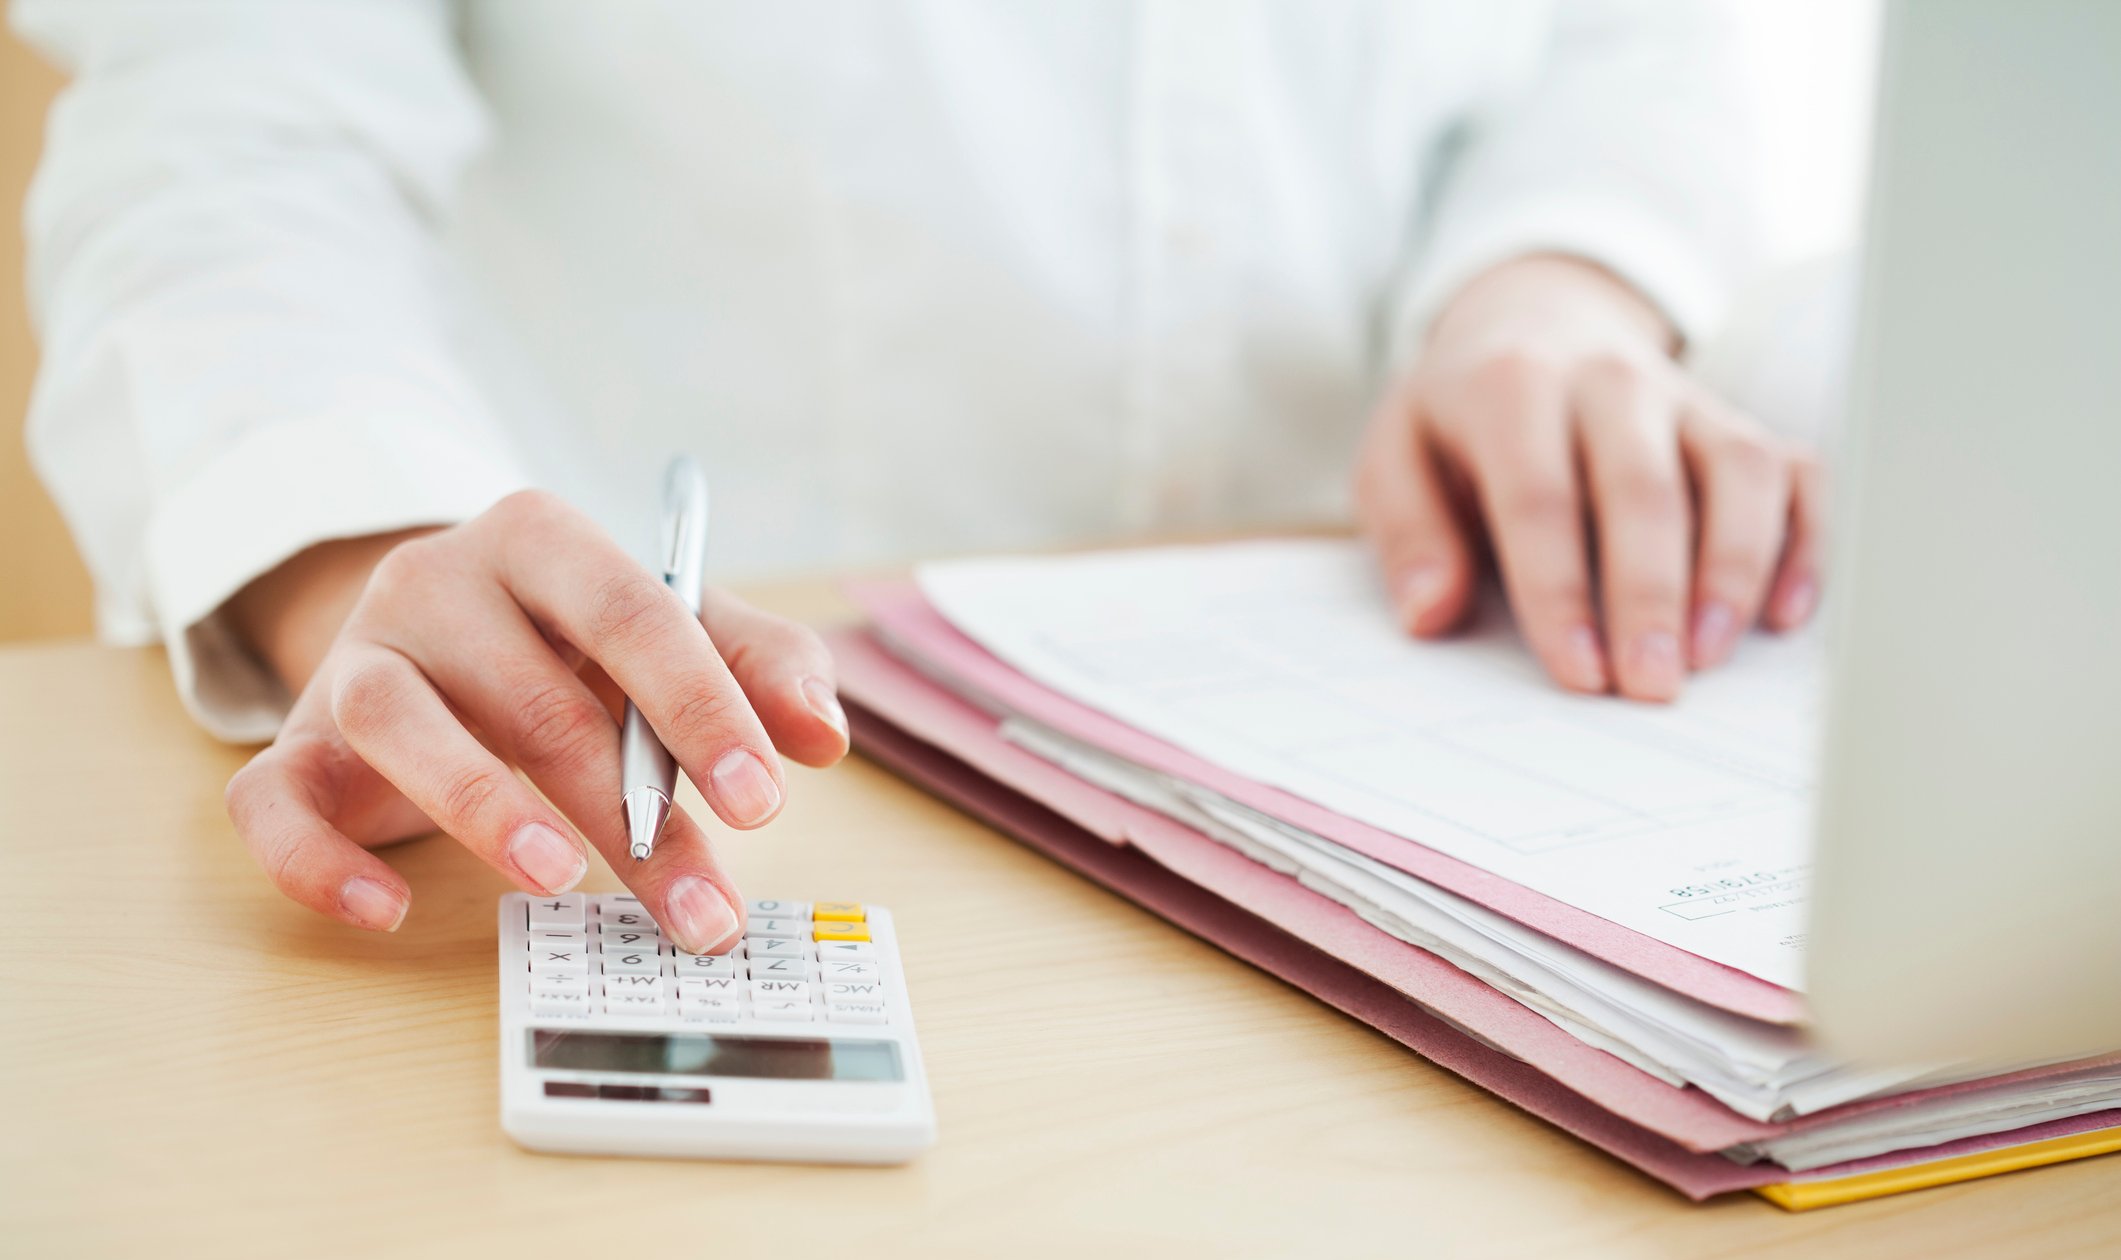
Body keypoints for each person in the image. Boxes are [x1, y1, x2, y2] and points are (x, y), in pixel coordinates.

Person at [15, 0, 1821, 952]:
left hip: (1391, 708)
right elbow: (225, 137)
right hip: (678, 750)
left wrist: (1557, 283)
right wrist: (364, 550)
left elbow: (1626, 43)